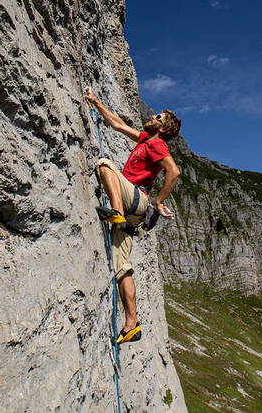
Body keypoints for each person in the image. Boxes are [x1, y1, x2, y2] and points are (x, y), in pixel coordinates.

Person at [83, 86, 182, 344]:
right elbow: (117, 124)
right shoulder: (144, 140)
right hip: (134, 210)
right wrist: (96, 102)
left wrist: (159, 201)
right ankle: (132, 324)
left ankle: (115, 212)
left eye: (157, 118)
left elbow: (174, 171)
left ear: (162, 128)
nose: (152, 117)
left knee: (104, 165)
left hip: (135, 200)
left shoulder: (157, 144)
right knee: (121, 267)